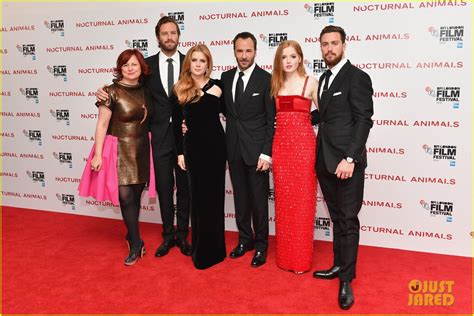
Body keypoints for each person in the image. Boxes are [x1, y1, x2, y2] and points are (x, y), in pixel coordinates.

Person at [96, 16, 191, 258]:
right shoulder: (145, 66)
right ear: (158, 37)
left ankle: (182, 235)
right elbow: (127, 90)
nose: (169, 37)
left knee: (184, 188)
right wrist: (104, 93)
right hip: (156, 138)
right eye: (164, 33)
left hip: (184, 138)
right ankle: (168, 235)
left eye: (173, 32)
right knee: (164, 188)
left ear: (179, 36)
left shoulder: (189, 63)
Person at [311, 25, 374, 310]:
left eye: (334, 43)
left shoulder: (357, 78)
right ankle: (338, 265)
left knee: (348, 221)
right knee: (337, 218)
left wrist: (351, 158)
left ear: (344, 45)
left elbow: (363, 120)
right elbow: (326, 116)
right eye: (325, 44)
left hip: (346, 162)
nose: (329, 49)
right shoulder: (323, 78)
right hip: (324, 160)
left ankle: (347, 279)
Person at [80, 49, 152, 266]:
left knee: (136, 195)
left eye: (134, 65)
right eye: (125, 65)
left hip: (141, 148)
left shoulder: (147, 90)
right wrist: (98, 154)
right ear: (120, 68)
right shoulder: (110, 92)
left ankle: (131, 235)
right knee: (125, 196)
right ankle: (137, 242)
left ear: (141, 68)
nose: (130, 69)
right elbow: (102, 124)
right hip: (118, 150)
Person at [221, 32, 276, 267]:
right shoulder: (225, 77)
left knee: (259, 202)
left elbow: (271, 119)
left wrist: (266, 152)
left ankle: (262, 245)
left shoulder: (266, 79)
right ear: (234, 51)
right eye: (240, 51)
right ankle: (245, 240)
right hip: (233, 149)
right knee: (241, 199)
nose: (244, 56)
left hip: (257, 153)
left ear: (255, 51)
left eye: (248, 51)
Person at [173, 44, 226, 269]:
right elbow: (177, 124)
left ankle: (217, 250)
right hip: (193, 149)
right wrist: (180, 153)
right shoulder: (180, 88)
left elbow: (230, 114)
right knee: (199, 199)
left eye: (202, 61)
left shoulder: (219, 87)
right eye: (194, 60)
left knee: (215, 199)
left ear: (208, 64)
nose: (198, 64)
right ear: (189, 64)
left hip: (215, 148)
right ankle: (200, 251)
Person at [270, 40, 319, 274]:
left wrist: (304, 120)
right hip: (281, 148)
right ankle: (285, 257)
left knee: (302, 203)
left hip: (304, 148)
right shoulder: (276, 83)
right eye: (283, 57)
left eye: (292, 56)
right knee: (284, 202)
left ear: (300, 58)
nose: (288, 61)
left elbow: (326, 113)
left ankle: (299, 260)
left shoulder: (311, 82)